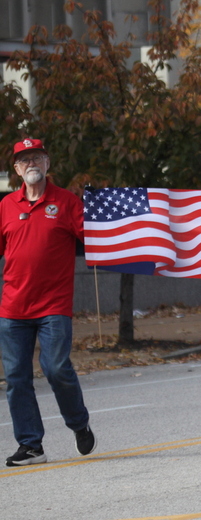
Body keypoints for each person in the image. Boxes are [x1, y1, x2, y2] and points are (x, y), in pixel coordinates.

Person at [0, 138, 97, 466]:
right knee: (15, 377)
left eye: (37, 158)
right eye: (24, 160)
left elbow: (95, 238)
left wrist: (96, 208)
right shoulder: (6, 206)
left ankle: (78, 421)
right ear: (16, 169)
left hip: (53, 305)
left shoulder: (67, 202)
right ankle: (31, 446)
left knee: (56, 368)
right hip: (13, 307)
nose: (31, 164)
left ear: (47, 163)